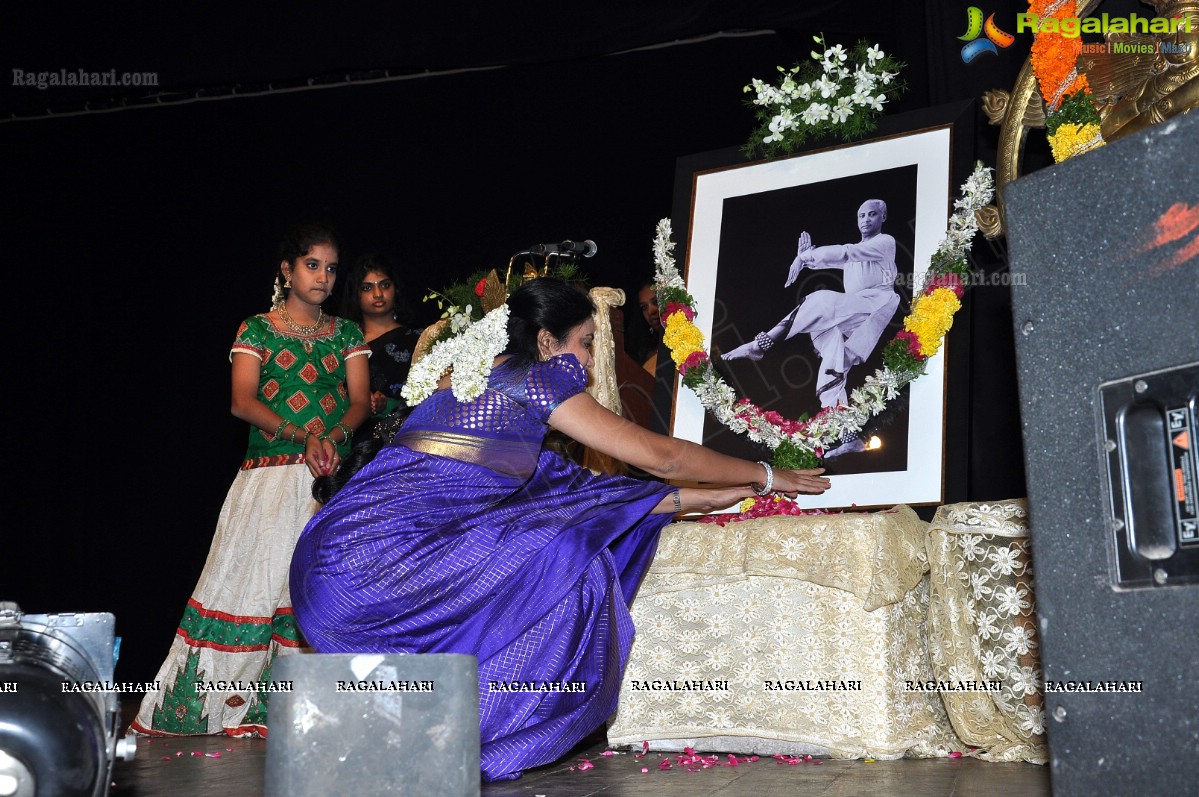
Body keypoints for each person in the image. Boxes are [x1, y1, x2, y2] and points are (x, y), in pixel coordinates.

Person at [289, 278, 830, 781]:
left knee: (551, 535)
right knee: (573, 560)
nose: (592, 362)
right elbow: (659, 456)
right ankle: (472, 735)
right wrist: (766, 473)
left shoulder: (471, 377)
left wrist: (699, 498)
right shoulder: (537, 378)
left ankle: (408, 743)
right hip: (376, 565)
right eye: (587, 342)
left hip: (327, 566)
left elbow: (573, 491)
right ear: (547, 341)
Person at [131, 223, 371, 737]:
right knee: (247, 585)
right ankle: (223, 704)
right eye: (312, 265)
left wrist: (330, 438)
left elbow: (358, 402)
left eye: (331, 269)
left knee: (317, 589)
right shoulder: (256, 329)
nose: (324, 278)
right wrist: (301, 434)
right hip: (268, 478)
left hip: (329, 480)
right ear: (286, 270)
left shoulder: (348, 334)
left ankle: (310, 706)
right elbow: (242, 402)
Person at [723, 199, 900, 414]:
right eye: (861, 216)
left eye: (871, 214)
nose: (865, 219)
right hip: (853, 313)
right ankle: (838, 419)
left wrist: (806, 257)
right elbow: (833, 260)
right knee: (832, 348)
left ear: (883, 217)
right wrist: (804, 259)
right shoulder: (861, 250)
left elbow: (845, 253)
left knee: (819, 301)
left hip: (873, 304)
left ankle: (760, 345)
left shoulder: (885, 242)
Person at [343, 252, 423, 435]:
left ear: (396, 289)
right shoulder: (343, 340)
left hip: (404, 440)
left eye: (385, 285)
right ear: (355, 294)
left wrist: (387, 404)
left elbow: (429, 399)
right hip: (347, 441)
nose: (378, 294)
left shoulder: (417, 339)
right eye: (367, 288)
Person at [624, 279, 663, 372]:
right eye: (644, 307)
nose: (650, 311)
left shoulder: (682, 343)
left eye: (655, 302)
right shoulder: (643, 352)